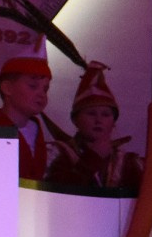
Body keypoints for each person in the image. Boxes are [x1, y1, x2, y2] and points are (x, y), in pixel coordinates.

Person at [45, 61, 142, 192]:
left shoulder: (128, 162)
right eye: (91, 113)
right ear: (75, 120)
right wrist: (93, 158)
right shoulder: (57, 153)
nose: (98, 120)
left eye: (105, 115)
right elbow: (54, 194)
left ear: (113, 122)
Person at [0, 55, 69, 181]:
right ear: (7, 88)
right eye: (33, 86)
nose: (42, 94)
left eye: (45, 89)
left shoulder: (36, 129)